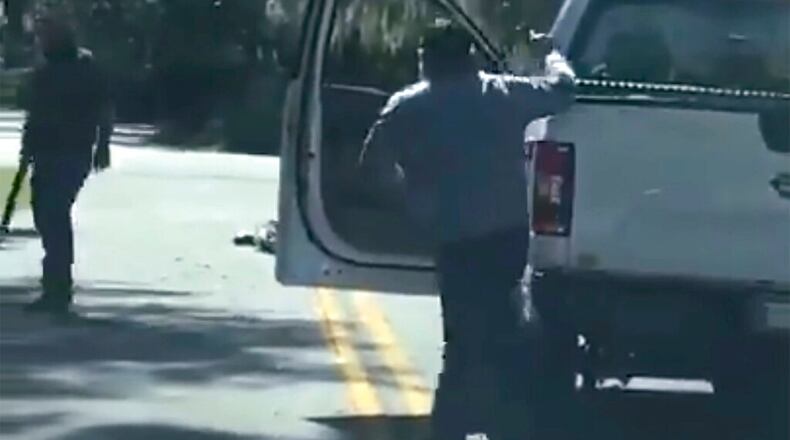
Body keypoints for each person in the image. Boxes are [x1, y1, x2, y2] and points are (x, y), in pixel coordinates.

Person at [359, 22, 576, 440]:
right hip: (507, 237)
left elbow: (372, 169)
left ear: (425, 60)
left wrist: (414, 203)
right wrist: (550, 54)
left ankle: (452, 428)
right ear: (470, 58)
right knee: (505, 334)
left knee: (461, 344)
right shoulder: (503, 94)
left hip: (454, 240)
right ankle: (506, 423)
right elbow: (564, 91)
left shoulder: (406, 106)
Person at [21, 12, 113, 314]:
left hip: (73, 151)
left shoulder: (85, 68)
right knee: (43, 214)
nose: (42, 42)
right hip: (45, 152)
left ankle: (58, 288)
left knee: (54, 212)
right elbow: (33, 116)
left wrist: (103, 146)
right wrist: (26, 152)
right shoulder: (44, 71)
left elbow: (103, 108)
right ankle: (55, 284)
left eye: (46, 36)